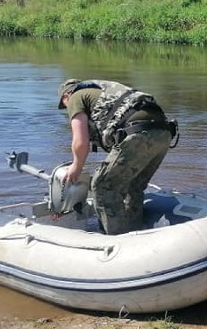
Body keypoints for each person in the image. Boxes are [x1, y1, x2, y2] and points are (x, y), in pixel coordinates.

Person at [57, 79, 177, 235]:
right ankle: (135, 230)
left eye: (64, 104)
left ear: (66, 95)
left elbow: (81, 142)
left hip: (138, 133)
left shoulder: (75, 97)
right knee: (133, 186)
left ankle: (116, 239)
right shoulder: (102, 92)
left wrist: (76, 167)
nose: (67, 108)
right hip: (163, 132)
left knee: (102, 186)